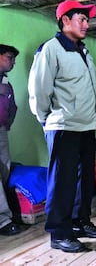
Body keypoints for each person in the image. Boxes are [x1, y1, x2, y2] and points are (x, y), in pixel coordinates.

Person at [28, 0, 96, 253]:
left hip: (85, 126)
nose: (87, 23)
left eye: (87, 19)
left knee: (85, 181)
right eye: (81, 19)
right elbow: (39, 91)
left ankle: (80, 223)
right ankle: (59, 234)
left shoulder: (83, 50)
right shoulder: (51, 49)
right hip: (62, 126)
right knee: (62, 182)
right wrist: (46, 119)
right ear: (65, 21)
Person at [0, 44, 21, 236]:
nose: (13, 62)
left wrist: (6, 124)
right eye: (9, 57)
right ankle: (3, 221)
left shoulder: (6, 84)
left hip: (1, 132)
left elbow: (12, 108)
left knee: (4, 172)